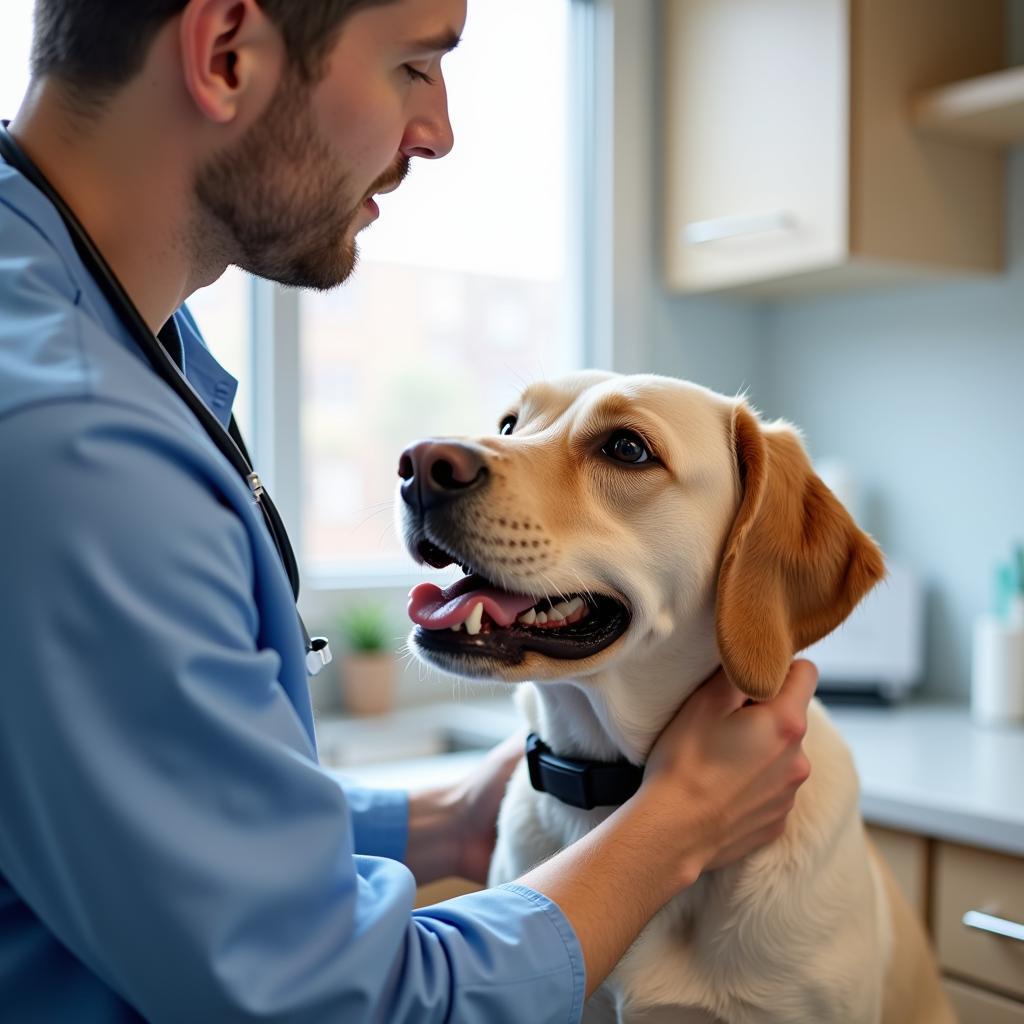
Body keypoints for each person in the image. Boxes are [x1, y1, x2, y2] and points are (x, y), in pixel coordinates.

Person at [0, 0, 816, 1019]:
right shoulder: (78, 445)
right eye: (414, 66)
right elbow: (342, 1003)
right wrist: (682, 818)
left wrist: (445, 821)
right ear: (224, 53)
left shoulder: (85, 333)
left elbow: (138, 807)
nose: (436, 130)